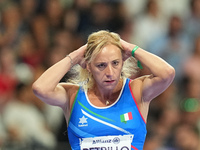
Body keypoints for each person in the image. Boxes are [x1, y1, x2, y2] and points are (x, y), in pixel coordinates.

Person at [32, 30, 175, 150]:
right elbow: (40, 88)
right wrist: (75, 56)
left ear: (123, 61)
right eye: (101, 65)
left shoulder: (136, 91)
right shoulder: (74, 95)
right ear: (88, 66)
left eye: (115, 63)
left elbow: (167, 73)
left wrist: (131, 48)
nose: (110, 72)